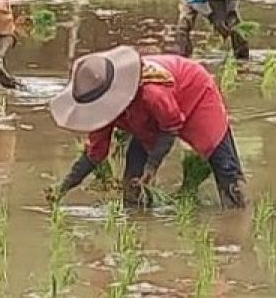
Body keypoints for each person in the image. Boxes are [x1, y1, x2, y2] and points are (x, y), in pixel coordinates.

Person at [48, 46, 246, 208]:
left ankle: (236, 214)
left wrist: (152, 166)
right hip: (145, 121)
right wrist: (62, 188)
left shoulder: (152, 92)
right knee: (133, 182)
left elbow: (170, 127)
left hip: (194, 95)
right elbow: (95, 153)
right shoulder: (103, 110)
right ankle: (138, 224)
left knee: (224, 165)